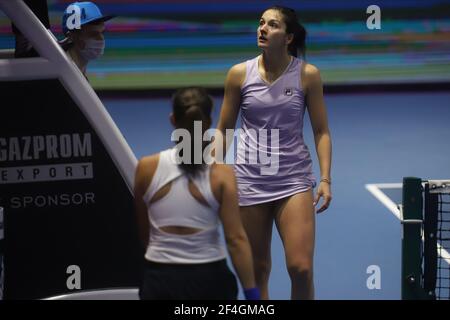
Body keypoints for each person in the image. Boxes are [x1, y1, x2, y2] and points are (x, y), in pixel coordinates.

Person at [215, 6, 332, 300]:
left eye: (273, 25)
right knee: (257, 270)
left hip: (293, 179)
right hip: (250, 180)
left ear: (289, 37)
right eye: (261, 23)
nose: (262, 29)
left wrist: (326, 179)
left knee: (301, 268)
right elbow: (224, 129)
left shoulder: (308, 75)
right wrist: (213, 170)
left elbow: (321, 131)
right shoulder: (239, 74)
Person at [133, 87, 259, 300]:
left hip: (159, 280)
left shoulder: (146, 168)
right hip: (210, 280)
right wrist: (252, 294)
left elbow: (144, 235)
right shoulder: (222, 175)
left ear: (173, 120)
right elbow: (236, 240)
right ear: (208, 124)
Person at [60, 2, 114, 77]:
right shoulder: (61, 76)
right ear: (71, 36)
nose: (101, 39)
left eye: (102, 32)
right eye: (93, 34)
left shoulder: (76, 72)